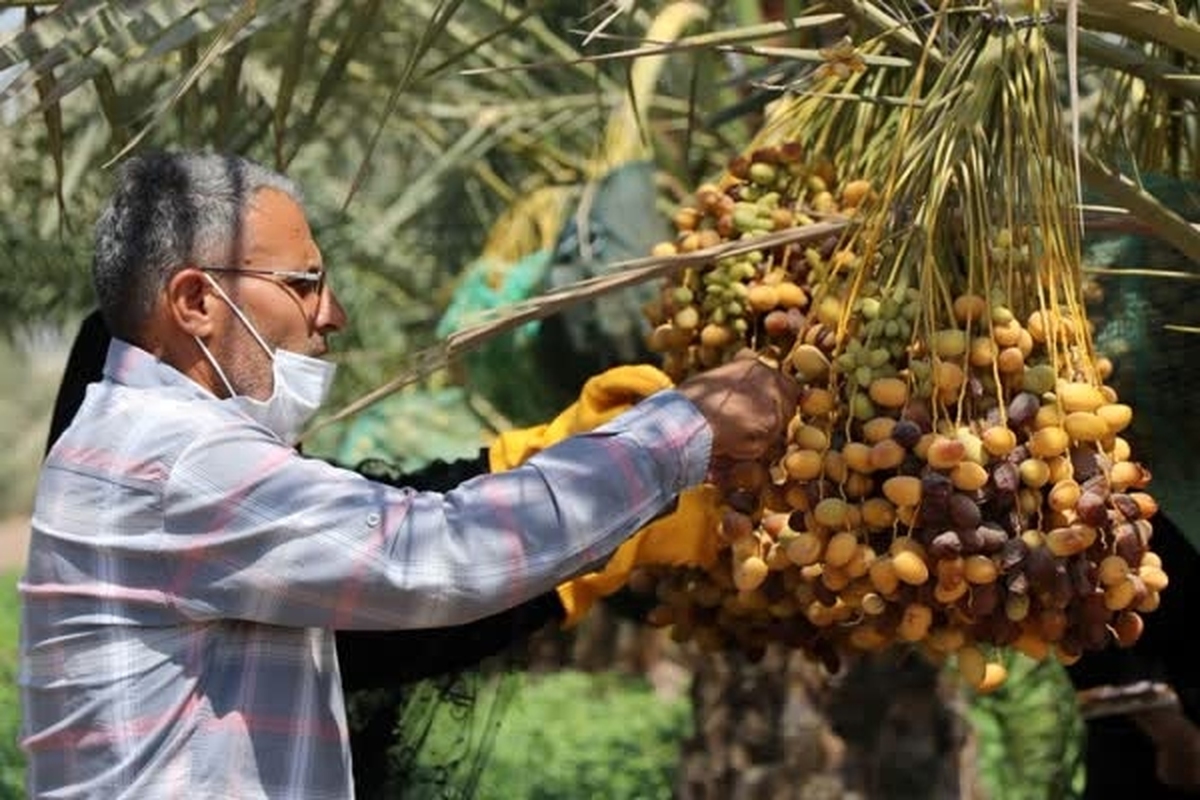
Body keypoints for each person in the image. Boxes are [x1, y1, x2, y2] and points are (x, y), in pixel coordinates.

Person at [19, 151, 798, 799]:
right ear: (196, 301)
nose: (333, 315)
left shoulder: (129, 442)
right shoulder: (176, 459)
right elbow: (440, 554)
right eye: (305, 283)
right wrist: (684, 428)